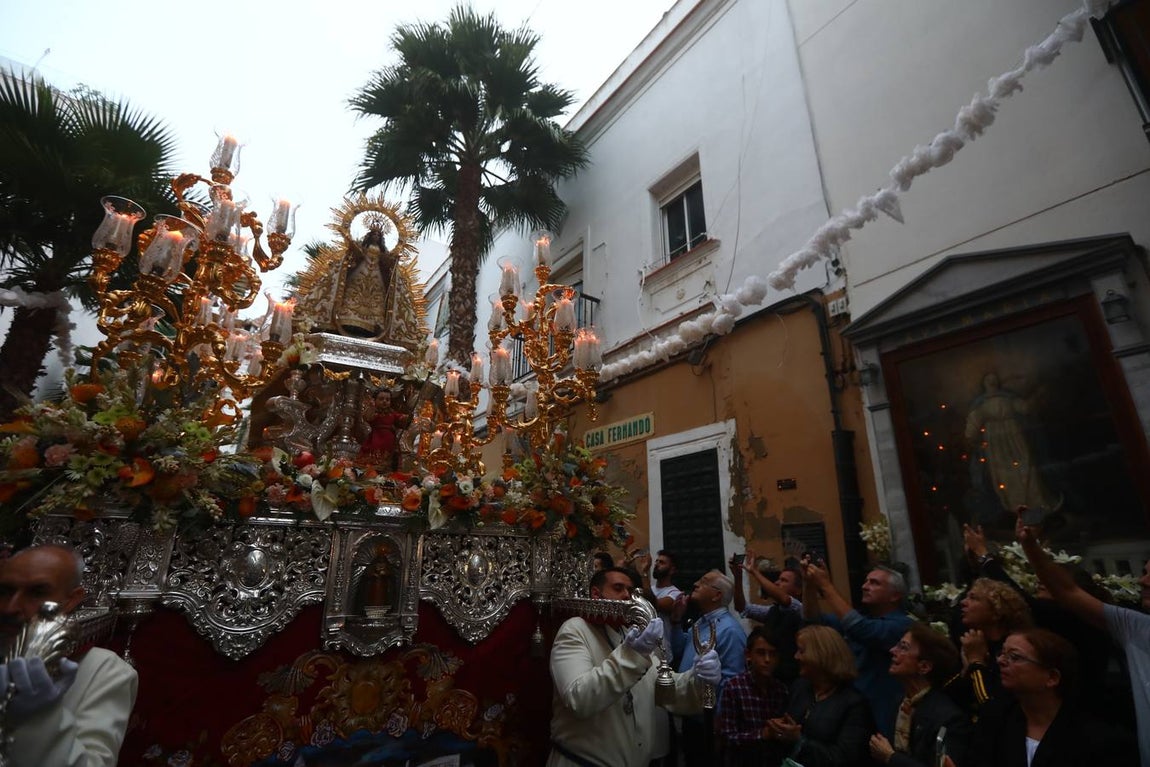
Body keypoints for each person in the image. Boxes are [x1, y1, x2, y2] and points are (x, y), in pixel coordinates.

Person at [1015, 507, 1150, 766]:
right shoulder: (1137, 627)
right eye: (1143, 572)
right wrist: (1030, 548)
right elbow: (1067, 592)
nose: (1142, 581)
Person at [547, 567, 721, 767]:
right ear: (596, 593)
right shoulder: (575, 629)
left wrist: (698, 679)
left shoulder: (632, 633)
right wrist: (632, 656)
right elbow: (580, 698)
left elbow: (667, 689)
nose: (627, 595)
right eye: (618, 588)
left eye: (630, 590)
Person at [0, 544, 137, 766]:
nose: (10, 607)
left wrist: (40, 719)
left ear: (72, 599)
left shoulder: (103, 669)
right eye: (5, 592)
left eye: (37, 592)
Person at [969, 628, 1136, 766]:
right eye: (1002, 653)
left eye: (1015, 657)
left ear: (1052, 678)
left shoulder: (1099, 740)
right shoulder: (996, 720)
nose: (1001, 661)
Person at [802, 561, 912, 739]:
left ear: (895, 596)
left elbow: (861, 629)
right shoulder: (865, 618)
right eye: (866, 581)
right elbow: (813, 619)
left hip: (880, 715)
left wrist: (826, 585)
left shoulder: (902, 625)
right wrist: (809, 585)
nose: (865, 586)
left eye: (874, 583)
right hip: (851, 713)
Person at [766, 624, 873, 767]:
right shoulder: (800, 687)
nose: (796, 656)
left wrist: (799, 742)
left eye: (801, 651)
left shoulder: (854, 704)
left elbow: (845, 758)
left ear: (821, 655)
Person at [671, 569, 747, 766]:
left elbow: (732, 680)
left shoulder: (729, 630)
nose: (696, 583)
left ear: (717, 595)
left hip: (709, 721)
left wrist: (719, 723)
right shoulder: (701, 623)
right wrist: (677, 620)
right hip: (691, 715)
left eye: (703, 582)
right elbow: (680, 649)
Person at [868, 623, 972, 767]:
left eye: (903, 647)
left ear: (924, 667)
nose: (892, 650)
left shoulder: (949, 719)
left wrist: (891, 757)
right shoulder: (900, 701)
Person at [964, 372, 1060, 516]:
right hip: (995, 441)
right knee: (1003, 475)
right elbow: (972, 429)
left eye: (993, 379)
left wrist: (1038, 394)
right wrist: (973, 441)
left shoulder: (1007, 398)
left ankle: (1036, 504)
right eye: (989, 379)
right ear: (984, 383)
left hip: (1013, 435)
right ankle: (1018, 509)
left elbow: (1025, 408)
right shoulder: (981, 404)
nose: (992, 381)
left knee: (1025, 467)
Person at [951, 578, 1031, 711]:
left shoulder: (1015, 650)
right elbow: (954, 697)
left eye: (973, 598)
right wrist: (966, 671)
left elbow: (990, 704)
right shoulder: (975, 643)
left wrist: (976, 662)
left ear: (996, 612)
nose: (963, 602)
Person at [716, 626, 790, 767]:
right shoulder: (734, 687)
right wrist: (762, 734)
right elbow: (728, 737)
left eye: (772, 654)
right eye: (761, 653)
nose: (767, 660)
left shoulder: (781, 691)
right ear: (748, 655)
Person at [731, 548, 803, 684]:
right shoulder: (773, 610)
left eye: (784, 581)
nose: (777, 583)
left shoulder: (800, 609)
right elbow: (742, 607)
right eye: (778, 580)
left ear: (798, 590)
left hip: (792, 680)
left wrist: (754, 571)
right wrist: (738, 576)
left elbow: (785, 599)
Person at [359, 388, 409, 469]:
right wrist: (371, 407)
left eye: (387, 399)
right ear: (375, 400)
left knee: (390, 460)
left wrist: (408, 417)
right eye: (381, 399)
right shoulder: (374, 412)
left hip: (390, 441)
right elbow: (367, 417)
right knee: (375, 458)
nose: (385, 401)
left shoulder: (392, 413)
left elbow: (400, 418)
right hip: (376, 438)